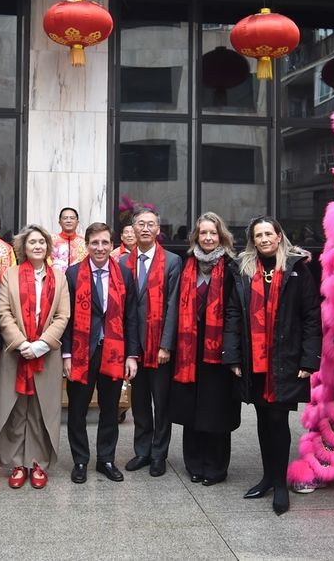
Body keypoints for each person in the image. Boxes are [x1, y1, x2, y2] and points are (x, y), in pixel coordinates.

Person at [224, 216, 319, 514]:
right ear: (253, 240)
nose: (264, 239)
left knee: (278, 420)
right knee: (264, 420)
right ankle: (267, 477)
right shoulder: (243, 270)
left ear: (279, 236)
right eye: (258, 235)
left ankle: (280, 484)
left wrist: (309, 359)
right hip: (254, 359)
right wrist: (233, 356)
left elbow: (312, 317)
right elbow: (233, 315)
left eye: (269, 234)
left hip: (286, 359)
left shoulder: (297, 269)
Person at [0, 225, 72, 489]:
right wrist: (21, 343)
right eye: (32, 242)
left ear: (48, 247)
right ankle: (16, 462)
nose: (37, 246)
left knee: (40, 409)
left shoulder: (59, 278)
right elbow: (4, 312)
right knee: (16, 408)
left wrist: (41, 345)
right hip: (15, 353)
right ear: (23, 248)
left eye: (42, 242)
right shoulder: (10, 275)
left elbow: (63, 316)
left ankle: (37, 462)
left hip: (46, 354)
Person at [63, 222, 140, 484]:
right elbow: (66, 319)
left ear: (112, 244)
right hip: (81, 352)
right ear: (87, 244)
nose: (100, 247)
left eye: (105, 242)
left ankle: (106, 459)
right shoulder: (72, 275)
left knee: (110, 409)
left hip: (114, 352)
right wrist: (66, 356)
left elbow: (131, 317)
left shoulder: (125, 274)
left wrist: (132, 354)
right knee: (77, 410)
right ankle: (80, 461)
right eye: (95, 242)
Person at [170, 212, 241, 486]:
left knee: (217, 411)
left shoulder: (233, 267)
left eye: (213, 233)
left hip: (220, 352)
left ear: (221, 236)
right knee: (192, 410)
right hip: (189, 352)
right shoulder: (187, 265)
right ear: (196, 237)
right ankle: (194, 464)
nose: (208, 238)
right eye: (203, 233)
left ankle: (215, 468)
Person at [120, 206, 182, 477]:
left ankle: (159, 453)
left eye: (150, 224)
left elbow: (173, 306)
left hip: (159, 347)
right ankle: (142, 451)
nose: (145, 228)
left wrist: (166, 345)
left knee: (162, 403)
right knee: (140, 403)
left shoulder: (171, 261)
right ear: (132, 229)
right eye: (140, 224)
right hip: (134, 345)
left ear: (158, 229)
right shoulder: (123, 263)